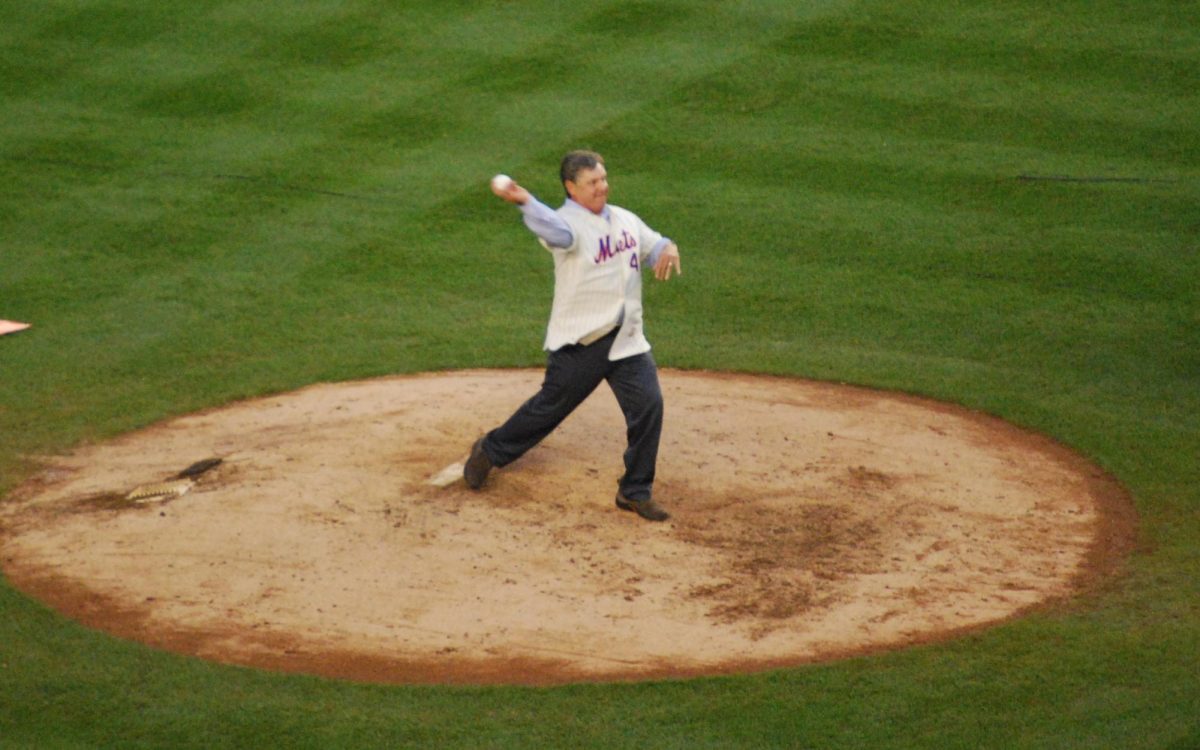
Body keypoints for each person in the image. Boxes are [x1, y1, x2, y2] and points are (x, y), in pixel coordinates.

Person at [463, 150, 683, 522]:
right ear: (571, 187)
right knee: (549, 409)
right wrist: (526, 201)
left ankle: (634, 491)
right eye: (593, 182)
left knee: (649, 406)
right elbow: (551, 228)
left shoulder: (626, 219)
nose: (602, 187)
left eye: (603, 179)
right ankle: (492, 449)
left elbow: (652, 244)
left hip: (627, 340)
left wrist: (667, 247)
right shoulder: (567, 226)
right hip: (582, 343)